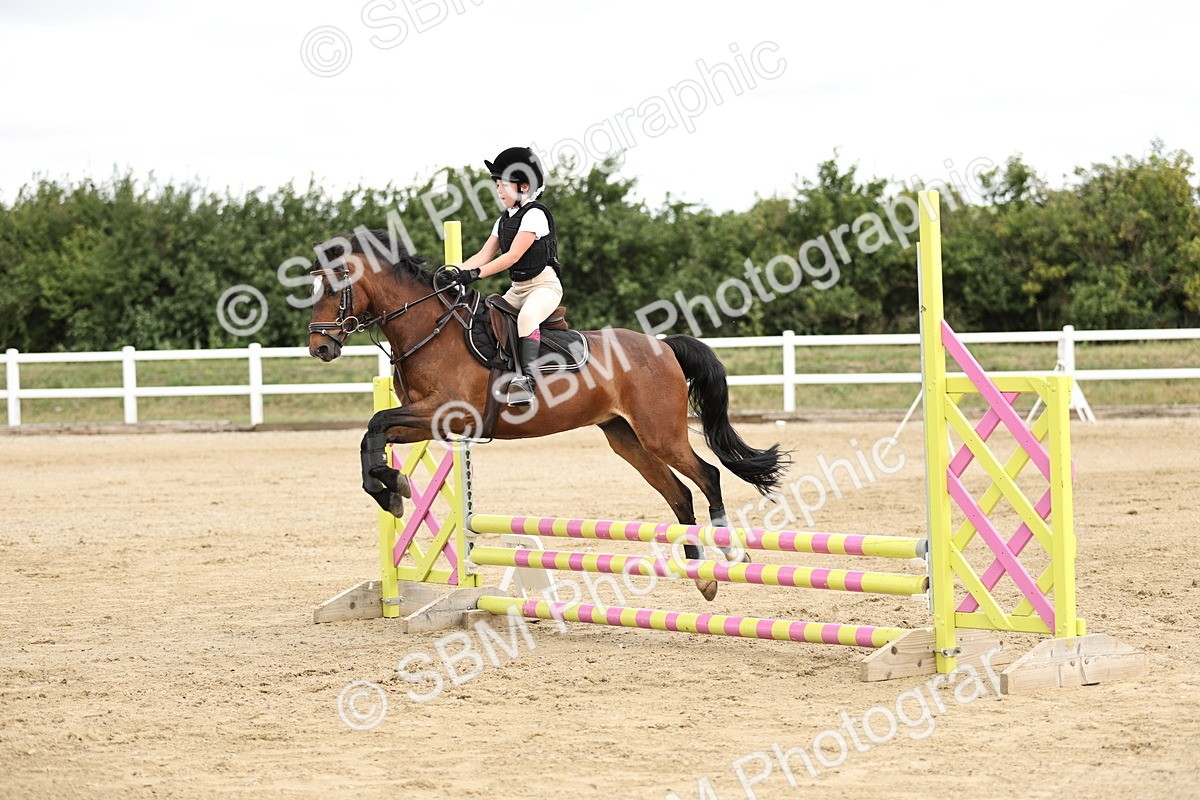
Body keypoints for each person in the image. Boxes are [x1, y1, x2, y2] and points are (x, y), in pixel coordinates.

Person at [448, 146, 562, 406]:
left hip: (544, 287)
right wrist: (455, 271)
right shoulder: (503, 221)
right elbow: (483, 255)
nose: (499, 191)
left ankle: (527, 382)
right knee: (485, 318)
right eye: (497, 185)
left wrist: (474, 274)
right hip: (518, 289)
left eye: (504, 185)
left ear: (524, 187)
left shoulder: (535, 215)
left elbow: (512, 257)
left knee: (528, 317)